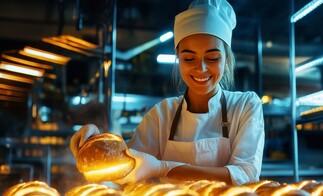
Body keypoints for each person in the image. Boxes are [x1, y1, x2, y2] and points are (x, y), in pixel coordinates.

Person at [70, 0, 265, 185]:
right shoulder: (162, 114)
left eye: (212, 58)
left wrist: (163, 168)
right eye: (189, 59)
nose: (201, 68)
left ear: (227, 59)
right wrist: (95, 140)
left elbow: (245, 175)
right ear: (178, 59)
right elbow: (125, 165)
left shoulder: (245, 106)